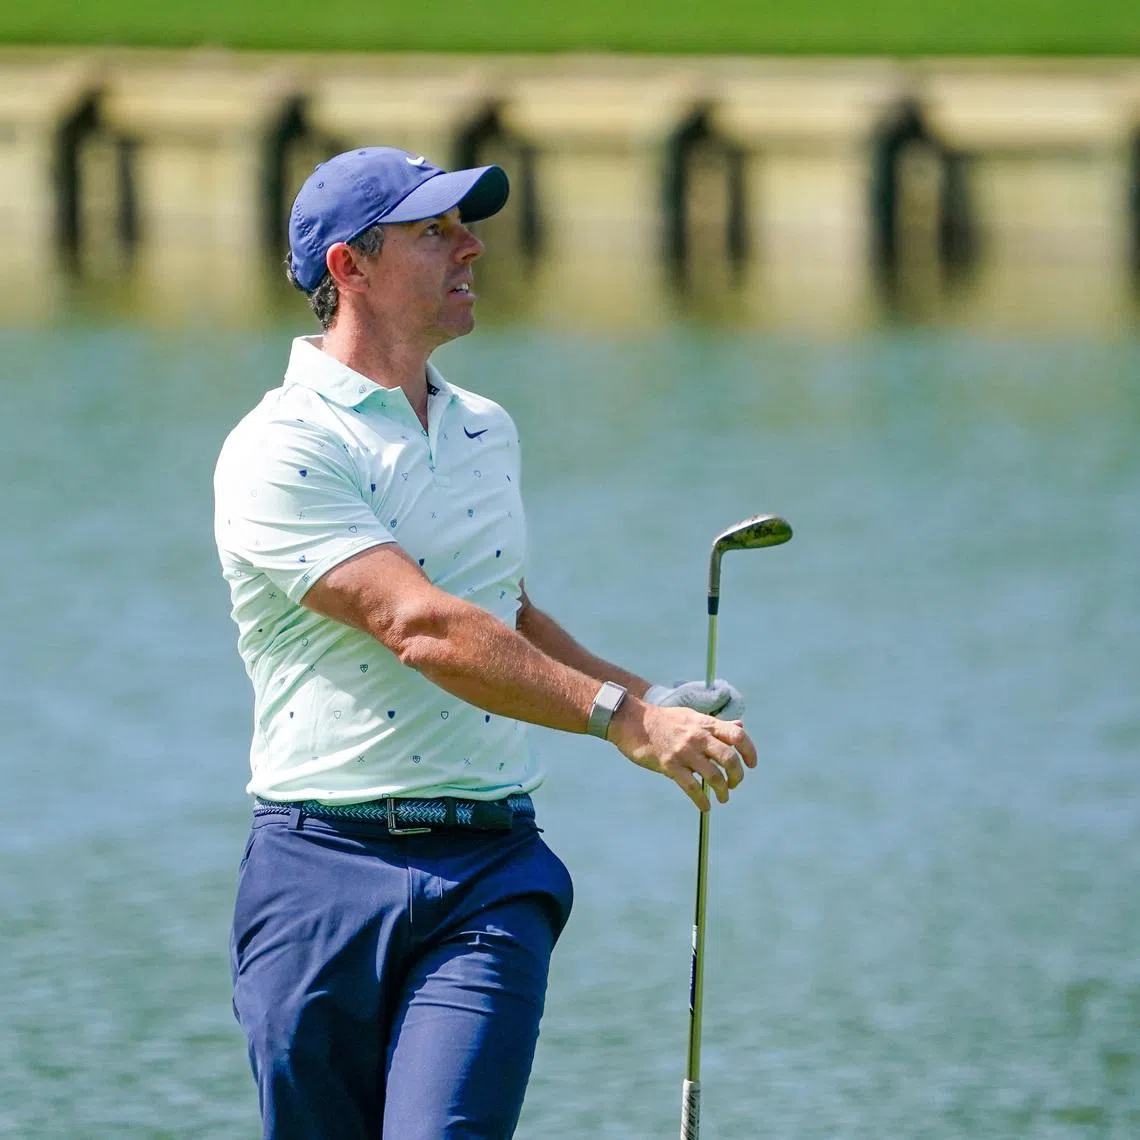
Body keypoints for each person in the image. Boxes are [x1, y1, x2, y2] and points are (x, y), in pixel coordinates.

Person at [213, 146, 757, 1140]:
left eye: (465, 226)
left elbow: (499, 613)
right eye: (436, 232)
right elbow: (417, 625)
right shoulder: (280, 446)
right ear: (350, 267)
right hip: (319, 874)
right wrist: (622, 720)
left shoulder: (484, 430)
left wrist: (651, 697)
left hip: (487, 872)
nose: (472, 247)